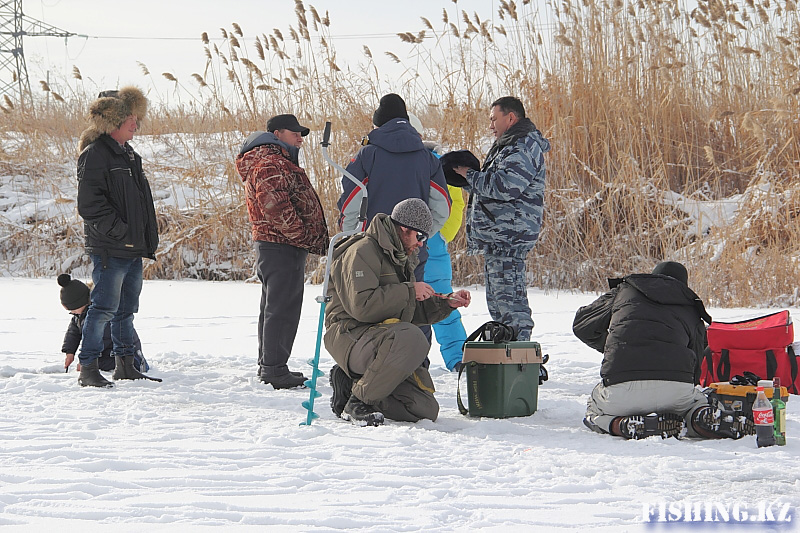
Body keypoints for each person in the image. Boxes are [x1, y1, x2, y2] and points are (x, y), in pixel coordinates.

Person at [324, 199, 471, 426]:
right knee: (412, 337)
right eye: (420, 236)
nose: (421, 244)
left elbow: (408, 310)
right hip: (350, 335)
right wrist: (409, 290)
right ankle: (358, 403)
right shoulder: (361, 251)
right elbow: (362, 306)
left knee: (424, 409)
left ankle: (351, 387)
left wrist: (446, 304)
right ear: (405, 229)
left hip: (381, 339)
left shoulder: (399, 256)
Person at [573, 261, 752, 440]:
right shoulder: (691, 306)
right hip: (675, 392)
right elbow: (696, 366)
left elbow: (582, 325)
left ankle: (623, 425)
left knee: (594, 407)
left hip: (621, 390)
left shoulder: (625, 291)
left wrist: (615, 347)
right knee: (693, 403)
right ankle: (699, 417)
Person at [337, 94, 451, 344]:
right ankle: (417, 370)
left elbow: (350, 201)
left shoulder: (367, 155)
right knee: (415, 304)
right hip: (412, 250)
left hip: (372, 251)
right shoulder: (428, 158)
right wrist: (419, 236)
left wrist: (350, 239)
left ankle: (376, 368)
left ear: (378, 123)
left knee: (371, 306)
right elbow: (442, 206)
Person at [236, 114, 329, 389]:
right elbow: (274, 207)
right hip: (281, 244)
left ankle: (270, 365)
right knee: (282, 308)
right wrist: (301, 236)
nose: (300, 138)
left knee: (275, 306)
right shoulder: (270, 162)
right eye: (295, 133)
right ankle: (274, 369)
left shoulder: (276, 160)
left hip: (277, 244)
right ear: (277, 133)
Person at [76, 87, 159, 388]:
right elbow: (90, 205)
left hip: (131, 248)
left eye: (137, 119)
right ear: (115, 122)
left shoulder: (128, 154)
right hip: (111, 249)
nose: (136, 124)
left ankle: (126, 365)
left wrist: (141, 237)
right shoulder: (96, 154)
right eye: (131, 119)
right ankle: (88, 368)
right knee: (102, 310)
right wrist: (120, 233)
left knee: (126, 311)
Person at [452, 96, 549, 342]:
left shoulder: (523, 146)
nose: (491, 125)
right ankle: (507, 361)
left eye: (494, 119)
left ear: (511, 118)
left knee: (511, 305)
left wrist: (470, 176)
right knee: (500, 305)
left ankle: (521, 362)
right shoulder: (508, 145)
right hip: (500, 239)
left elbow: (506, 186)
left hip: (510, 238)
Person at [407, 114, 468, 372]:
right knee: (410, 303)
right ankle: (414, 361)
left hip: (432, 246)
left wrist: (440, 235)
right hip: (415, 244)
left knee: (443, 302)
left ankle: (459, 359)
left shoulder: (435, 164)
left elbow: (455, 202)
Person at [58, 274, 148, 374]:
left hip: (122, 352)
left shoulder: (101, 316)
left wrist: (87, 362)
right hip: (105, 352)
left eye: (73, 309)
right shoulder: (79, 315)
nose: (73, 313)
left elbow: (100, 340)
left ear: (82, 303)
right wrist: (69, 352)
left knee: (97, 364)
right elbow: (73, 333)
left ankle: (137, 363)